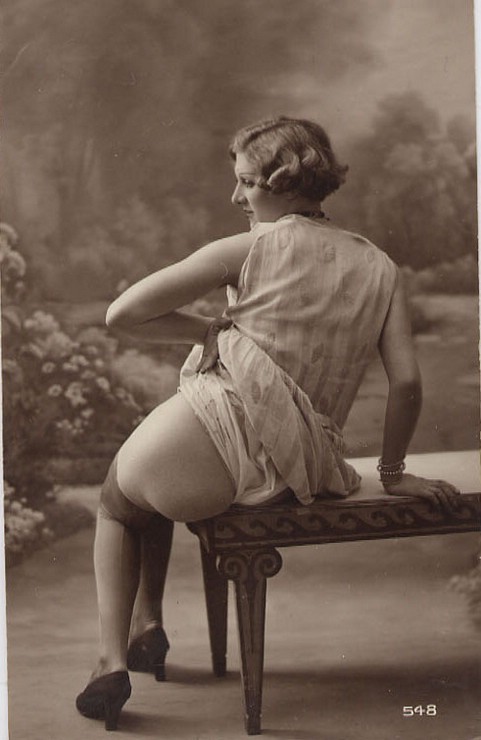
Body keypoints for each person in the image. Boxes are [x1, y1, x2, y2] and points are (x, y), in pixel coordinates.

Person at [75, 116, 460, 730]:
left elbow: (122, 314)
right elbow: (407, 382)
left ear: (285, 183)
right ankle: (148, 628)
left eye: (247, 183)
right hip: (295, 467)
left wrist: (209, 328)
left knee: (119, 504)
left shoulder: (250, 248)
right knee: (150, 493)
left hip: (209, 435)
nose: (236, 197)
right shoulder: (381, 267)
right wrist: (393, 473)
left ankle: (109, 661)